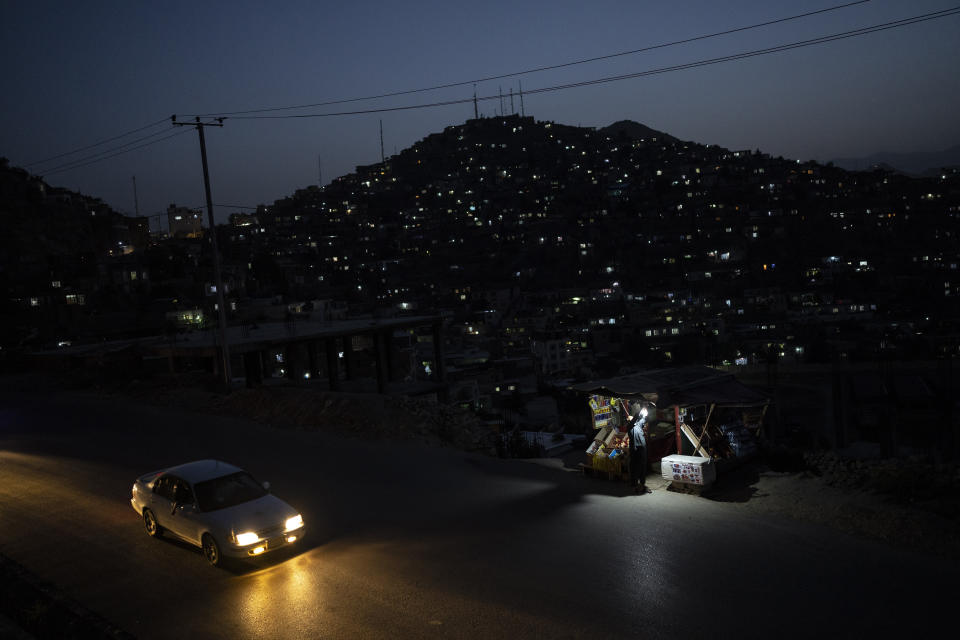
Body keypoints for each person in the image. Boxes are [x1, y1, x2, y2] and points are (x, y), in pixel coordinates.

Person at [628, 404, 651, 494]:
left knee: (643, 466)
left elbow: (645, 418)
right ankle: (634, 485)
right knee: (634, 468)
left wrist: (646, 409)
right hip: (634, 450)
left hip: (642, 448)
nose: (633, 420)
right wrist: (639, 411)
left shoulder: (639, 424)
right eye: (631, 419)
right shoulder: (630, 427)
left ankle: (643, 485)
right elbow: (634, 419)